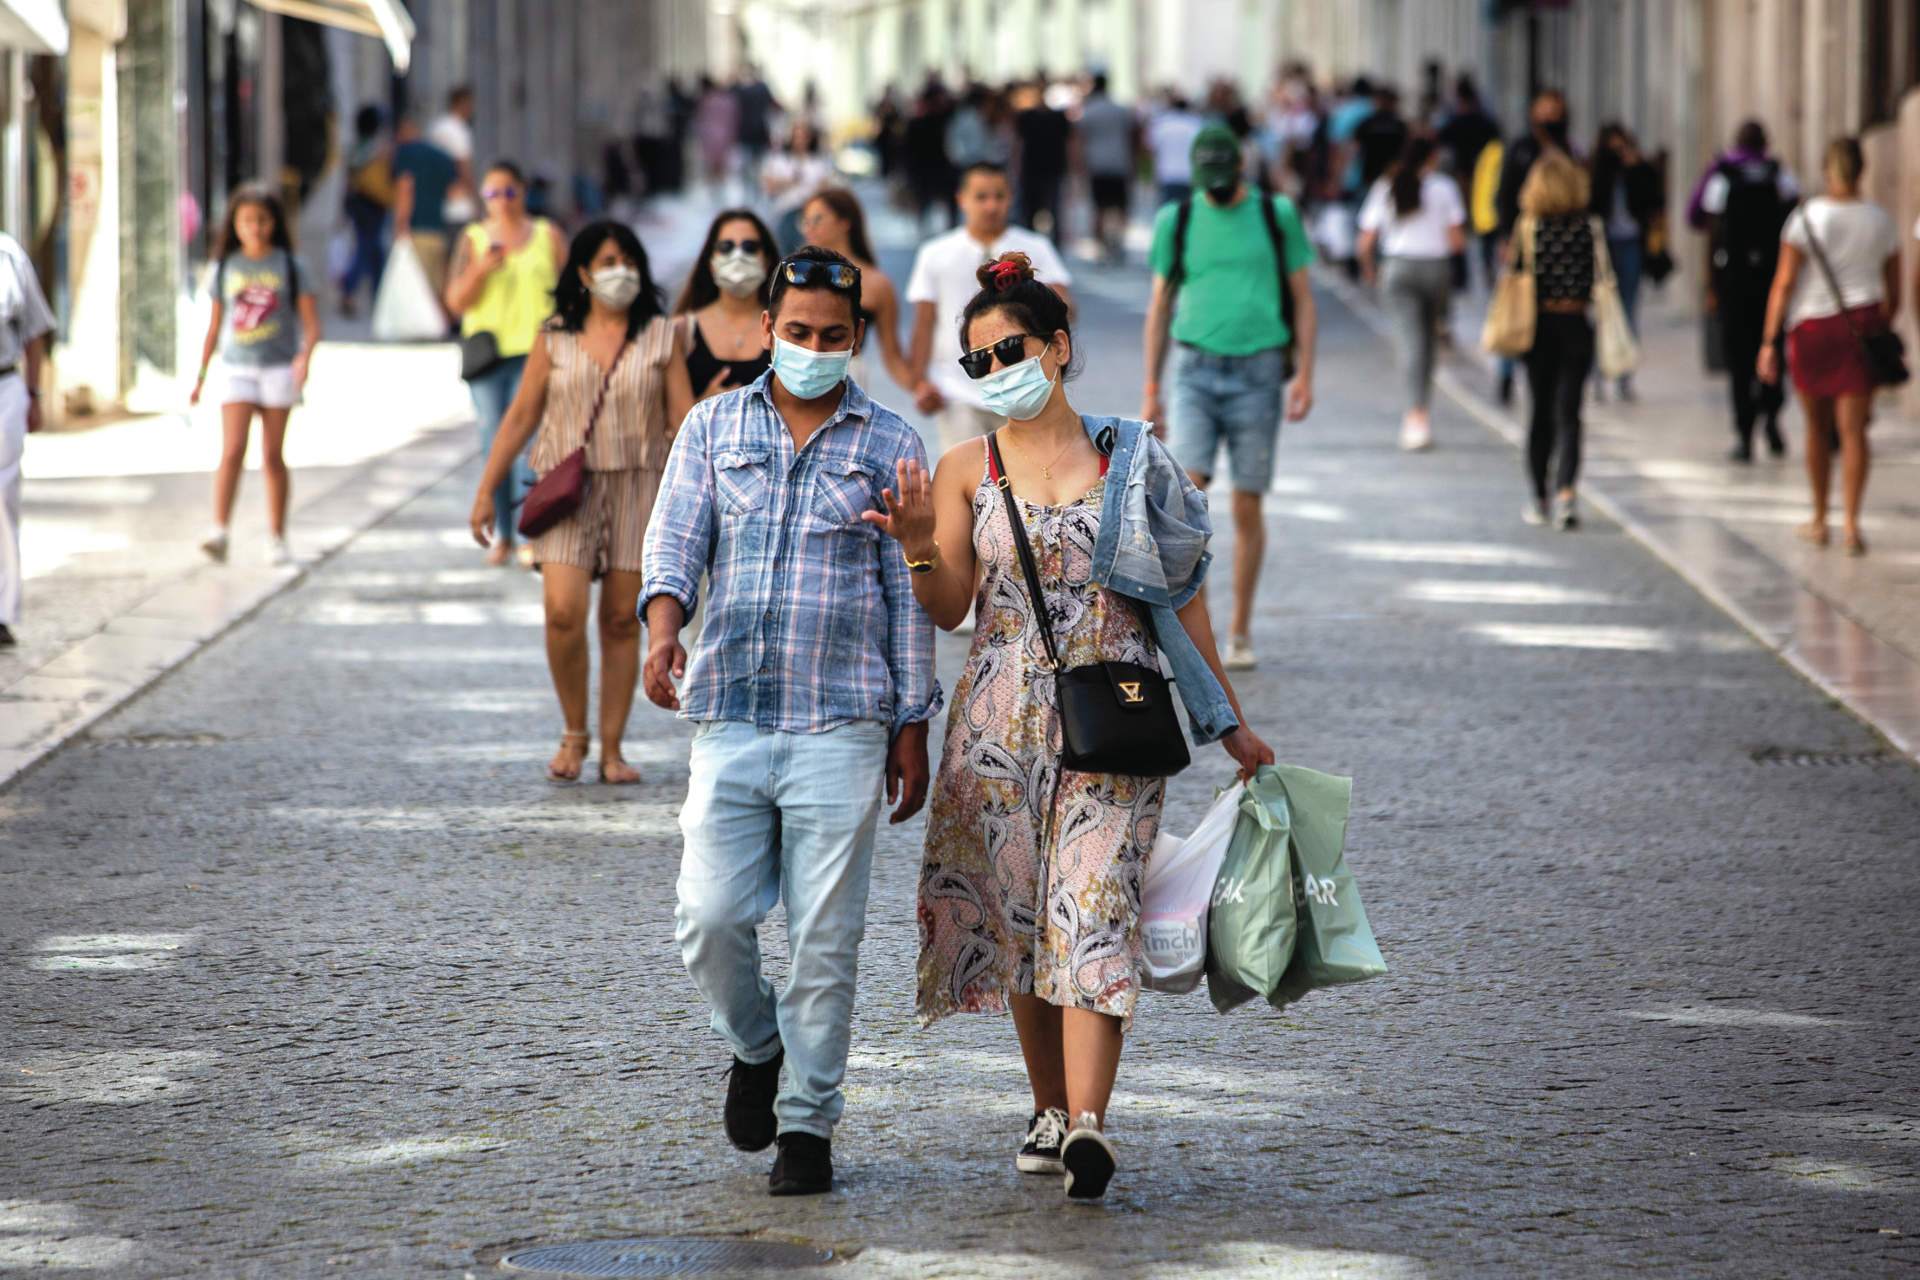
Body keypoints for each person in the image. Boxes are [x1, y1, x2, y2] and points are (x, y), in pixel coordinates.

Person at [864, 251, 1272, 1201]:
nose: (997, 370)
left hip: (1113, 715)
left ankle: (1090, 1125)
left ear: (1057, 346)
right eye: (977, 362)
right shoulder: (966, 465)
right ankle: (1047, 1107)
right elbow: (953, 607)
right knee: (1016, 920)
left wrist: (1231, 726)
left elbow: (1184, 601)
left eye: (1010, 349)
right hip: (996, 723)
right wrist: (922, 548)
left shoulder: (1134, 456)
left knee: (1094, 910)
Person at [641, 246, 940, 1197]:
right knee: (709, 916)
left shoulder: (892, 443)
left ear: (857, 339)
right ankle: (757, 1044)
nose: (814, 349)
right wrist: (661, 631)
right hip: (729, 711)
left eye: (834, 337)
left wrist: (910, 725)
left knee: (825, 940)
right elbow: (676, 540)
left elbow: (907, 588)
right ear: (768, 327)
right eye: (799, 332)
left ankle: (808, 1128)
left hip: (843, 723)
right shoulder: (712, 425)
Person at [467, 222, 694, 782]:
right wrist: (484, 491)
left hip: (640, 485)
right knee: (562, 611)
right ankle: (574, 731)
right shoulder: (555, 335)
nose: (621, 271)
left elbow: (686, 421)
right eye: (608, 260)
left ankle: (612, 749)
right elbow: (520, 414)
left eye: (629, 260)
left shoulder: (661, 337)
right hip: (565, 488)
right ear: (585, 274)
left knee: (621, 619)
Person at [1142, 126, 1317, 672]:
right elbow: (1159, 306)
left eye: (1225, 177)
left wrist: (1305, 373)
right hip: (1194, 368)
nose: (1216, 188)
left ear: (1243, 167)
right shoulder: (1179, 219)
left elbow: (1303, 299)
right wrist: (1152, 387)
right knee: (1189, 499)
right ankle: (1204, 627)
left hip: (1260, 371)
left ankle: (1240, 628)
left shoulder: (1276, 214)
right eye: (1207, 179)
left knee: (1247, 502)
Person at [1758, 138, 1898, 558]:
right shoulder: (1881, 220)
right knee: (1854, 430)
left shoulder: (1806, 218)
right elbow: (1894, 285)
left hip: (1814, 327)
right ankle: (1852, 523)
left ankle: (1820, 518)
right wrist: (1883, 327)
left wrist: (1768, 341)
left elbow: (1783, 283)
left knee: (1817, 427)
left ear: (1827, 171)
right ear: (1862, 170)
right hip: (1863, 325)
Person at [190, 184, 321, 567]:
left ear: (275, 222)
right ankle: (220, 530)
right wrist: (200, 376)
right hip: (236, 367)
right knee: (232, 450)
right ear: (234, 224)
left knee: (271, 454)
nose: (255, 228)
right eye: (247, 220)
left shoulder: (291, 265)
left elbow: (312, 324)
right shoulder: (226, 266)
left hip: (278, 367)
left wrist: (305, 358)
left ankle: (277, 536)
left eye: (262, 220)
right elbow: (214, 328)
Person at [445, 161, 567, 566]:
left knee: (530, 444)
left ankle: (525, 530)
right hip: (487, 355)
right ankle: (501, 535)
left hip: (537, 350)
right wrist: (481, 270)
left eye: (509, 192)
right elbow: (455, 301)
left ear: (523, 192)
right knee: (492, 441)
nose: (502, 202)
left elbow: (571, 290)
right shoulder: (473, 238)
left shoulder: (547, 235)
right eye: (493, 194)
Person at [906, 163, 1073, 449]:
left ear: (1011, 197)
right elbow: (923, 324)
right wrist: (919, 382)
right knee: (972, 479)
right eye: (981, 197)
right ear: (962, 198)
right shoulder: (935, 253)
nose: (991, 205)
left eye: (999, 196)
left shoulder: (1037, 247)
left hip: (1022, 386)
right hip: (958, 391)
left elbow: (1064, 308)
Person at [1689, 120, 1799, 460]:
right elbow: (1795, 224)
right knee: (1771, 348)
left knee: (1738, 359)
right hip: (1769, 277)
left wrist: (1710, 284)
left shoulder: (1722, 176)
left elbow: (1701, 223)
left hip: (1733, 279)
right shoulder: (1780, 175)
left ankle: (1744, 434)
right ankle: (1772, 418)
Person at [1358, 135, 1465, 451]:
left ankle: (1415, 414)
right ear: (1432, 158)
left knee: (1410, 341)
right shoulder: (1445, 188)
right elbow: (1458, 241)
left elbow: (1365, 240)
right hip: (1436, 268)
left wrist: (1370, 271)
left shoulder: (1386, 185)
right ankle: (1422, 410)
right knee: (1427, 340)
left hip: (1398, 267)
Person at [1511, 151, 1596, 531]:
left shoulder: (1529, 228)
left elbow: (1515, 276)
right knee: (1570, 414)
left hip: (1538, 329)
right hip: (1576, 323)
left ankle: (1539, 497)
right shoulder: (1588, 228)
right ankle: (1566, 493)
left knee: (1540, 412)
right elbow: (1597, 279)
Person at [800, 188, 917, 393]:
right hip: (801, 374)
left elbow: (893, 356)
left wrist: (920, 388)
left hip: (849, 377)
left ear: (845, 222)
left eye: (817, 219)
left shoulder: (876, 283)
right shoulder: (796, 274)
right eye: (805, 221)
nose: (809, 227)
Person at [0, 231, 54, 648]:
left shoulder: (9, 255)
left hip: (5, 387)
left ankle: (2, 610)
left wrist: (35, 394)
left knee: (2, 497)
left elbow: (35, 329)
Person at [1587, 123, 1663, 400]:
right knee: (1604, 312)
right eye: (1613, 148)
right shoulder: (1598, 173)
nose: (1618, 153)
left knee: (1629, 311)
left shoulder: (1638, 172)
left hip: (1631, 245)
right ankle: (1598, 376)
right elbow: (1592, 205)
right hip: (1604, 248)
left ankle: (1625, 376)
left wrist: (1637, 167)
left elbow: (1654, 201)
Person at [674, 208, 780, 403]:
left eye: (750, 247)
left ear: (766, 262)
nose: (738, 255)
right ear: (711, 263)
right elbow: (674, 420)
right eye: (725, 247)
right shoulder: (681, 331)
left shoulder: (786, 329)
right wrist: (704, 405)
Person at [390, 118, 458, 298]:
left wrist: (400, 226)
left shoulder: (406, 153)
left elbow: (406, 190)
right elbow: (454, 191)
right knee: (436, 288)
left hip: (417, 228)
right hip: (439, 228)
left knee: (417, 290)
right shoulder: (441, 155)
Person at [340, 105, 391, 318]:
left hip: (356, 202)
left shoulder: (352, 148)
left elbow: (347, 181)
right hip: (374, 202)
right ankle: (349, 289)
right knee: (368, 246)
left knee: (374, 249)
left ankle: (379, 297)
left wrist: (342, 208)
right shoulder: (377, 148)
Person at [1079, 73, 1134, 262]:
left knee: (1099, 208)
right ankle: (1118, 242)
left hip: (1097, 164)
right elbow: (1132, 136)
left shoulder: (1089, 110)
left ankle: (1101, 245)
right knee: (1120, 207)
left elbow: (1080, 139)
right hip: (1119, 162)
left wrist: (1079, 167)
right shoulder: (1120, 109)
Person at [762, 121, 834, 253]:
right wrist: (788, 181)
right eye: (797, 136)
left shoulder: (817, 162)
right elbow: (768, 187)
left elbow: (827, 189)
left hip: (809, 214)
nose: (800, 140)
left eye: (804, 136)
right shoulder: (779, 161)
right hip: (786, 212)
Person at [1013, 81, 1071, 243]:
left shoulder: (1058, 118)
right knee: (1032, 209)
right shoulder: (1027, 117)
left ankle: (1052, 243)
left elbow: (1070, 145)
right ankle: (1032, 243)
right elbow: (1018, 144)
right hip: (1033, 168)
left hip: (1050, 168)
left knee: (1052, 209)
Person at [429, 86, 479, 228]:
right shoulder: (458, 130)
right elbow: (464, 167)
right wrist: (475, 199)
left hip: (436, 203)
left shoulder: (435, 127)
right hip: (458, 207)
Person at [1148, 93, 1202, 206]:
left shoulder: (1163, 124)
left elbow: (1152, 148)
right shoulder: (1195, 124)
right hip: (1189, 175)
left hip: (1168, 174)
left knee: (1169, 213)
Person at [694, 76, 740, 191]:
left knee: (712, 164)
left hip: (710, 135)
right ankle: (719, 186)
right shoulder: (729, 100)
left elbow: (701, 116)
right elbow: (735, 118)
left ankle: (714, 188)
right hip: (725, 134)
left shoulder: (707, 99)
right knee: (721, 164)